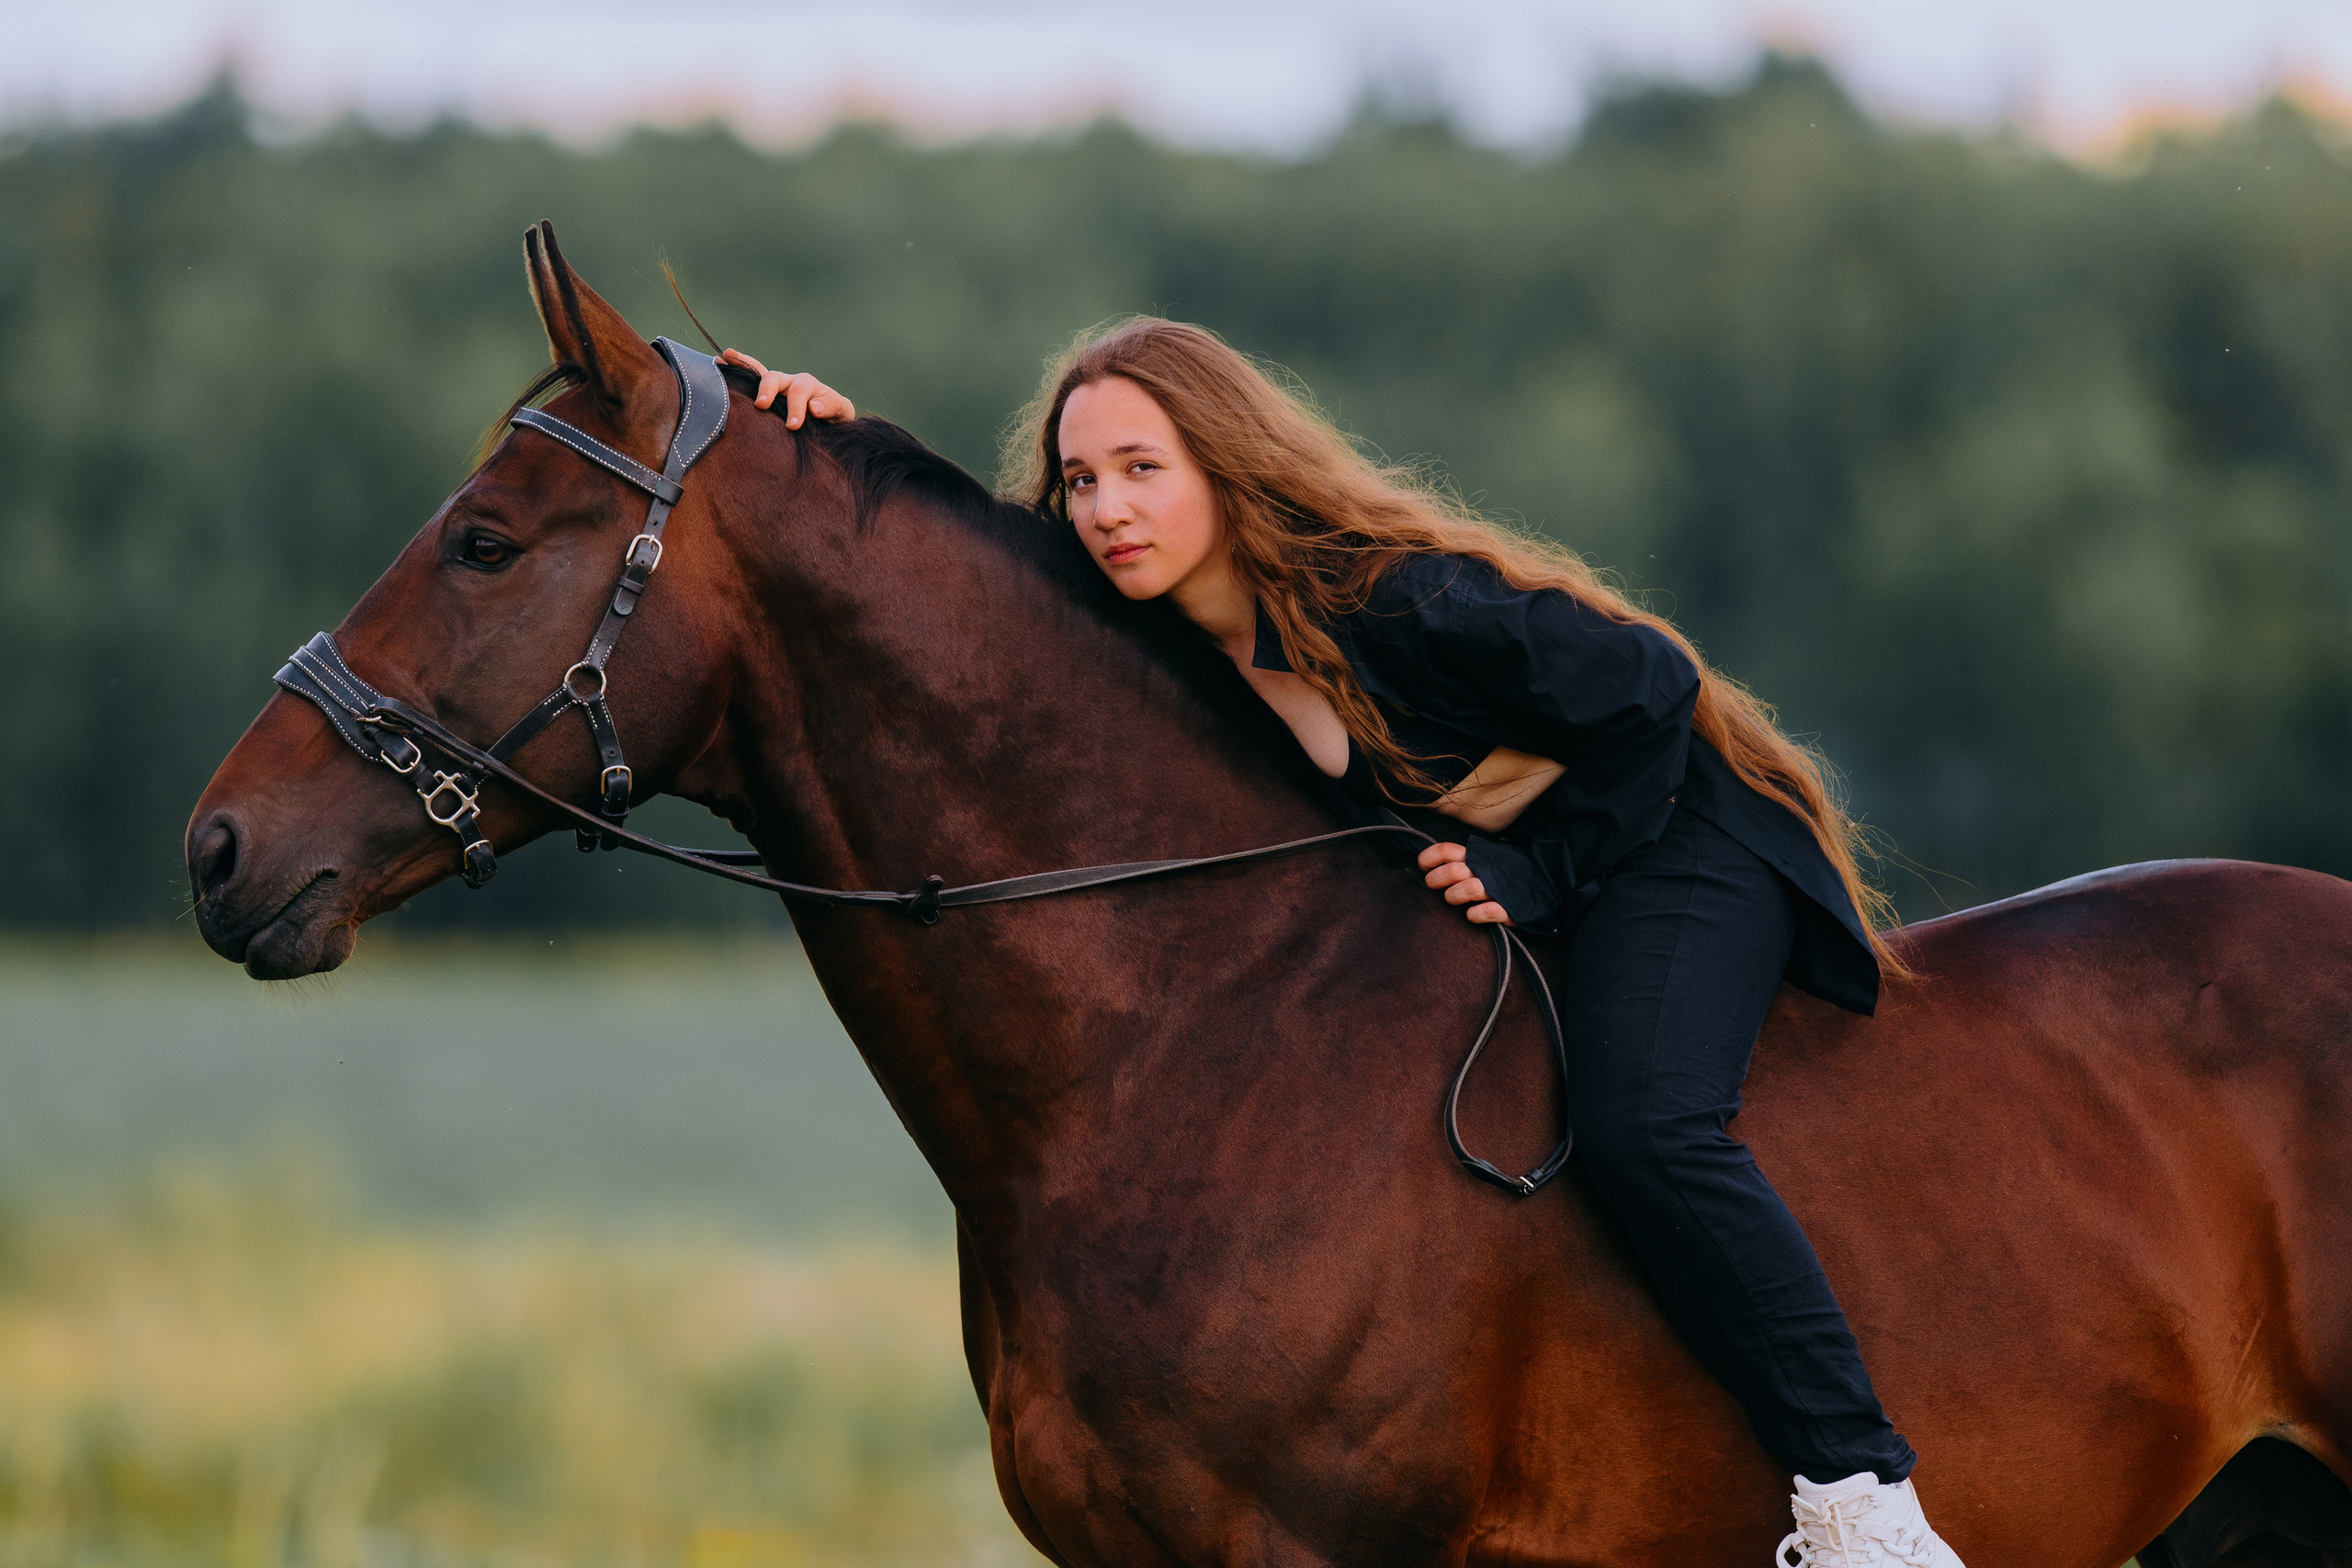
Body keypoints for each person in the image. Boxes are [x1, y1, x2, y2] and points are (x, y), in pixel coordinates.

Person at [718, 322, 1963, 1568]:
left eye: (1143, 468)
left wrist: (1541, 872)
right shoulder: (1155, 631)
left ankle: (1863, 1500)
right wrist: (826, 445)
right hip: (1527, 867)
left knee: (1647, 1119)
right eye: (1082, 479)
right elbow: (967, 583)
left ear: (1221, 465)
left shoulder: (1396, 599)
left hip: (1678, 836)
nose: (1107, 508)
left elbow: (1649, 686)